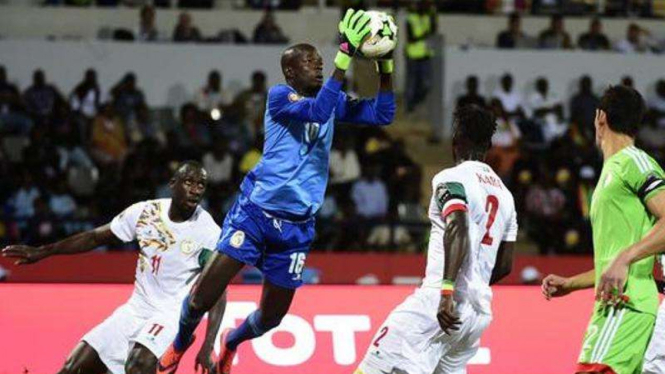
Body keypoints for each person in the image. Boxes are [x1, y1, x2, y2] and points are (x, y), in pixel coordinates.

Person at [157, 8, 395, 374]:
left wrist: (385, 64)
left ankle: (231, 342)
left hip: (297, 226)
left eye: (320, 61)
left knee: (271, 319)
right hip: (256, 213)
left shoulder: (330, 102)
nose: (318, 67)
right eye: (310, 63)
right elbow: (316, 112)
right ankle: (178, 345)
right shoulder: (279, 97)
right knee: (203, 297)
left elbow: (382, 115)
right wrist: (344, 54)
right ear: (290, 72)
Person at [2, 162, 227, 374]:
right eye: (189, 182)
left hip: (170, 316)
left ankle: (176, 348)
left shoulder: (207, 232)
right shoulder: (145, 212)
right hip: (136, 309)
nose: (196, 190)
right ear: (172, 183)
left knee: (137, 366)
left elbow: (218, 288)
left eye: (201, 185)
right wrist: (44, 251)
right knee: (73, 368)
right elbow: (94, 237)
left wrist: (209, 344)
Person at [355, 104, 516, 374]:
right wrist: (472, 285)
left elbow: (458, 227)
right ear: (488, 145)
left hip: (437, 306)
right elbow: (506, 265)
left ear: (456, 141)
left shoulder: (451, 179)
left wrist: (447, 292)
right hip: (475, 318)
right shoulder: (505, 196)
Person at [542, 86, 664, 374]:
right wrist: (571, 284)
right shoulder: (612, 171)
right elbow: (614, 263)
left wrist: (623, 259)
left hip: (627, 304)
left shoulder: (634, 162)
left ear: (600, 117)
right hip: (615, 301)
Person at [405, 0, 436, 113]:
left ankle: (416, 101)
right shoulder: (410, 18)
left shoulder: (428, 17)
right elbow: (410, 37)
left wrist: (433, 13)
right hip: (413, 54)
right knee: (411, 83)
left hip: (426, 54)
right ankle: (409, 106)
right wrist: (424, 35)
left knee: (426, 84)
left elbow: (433, 30)